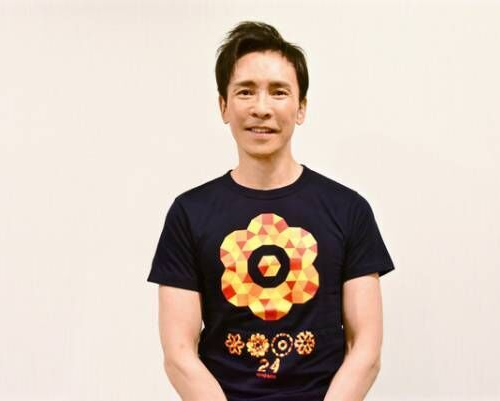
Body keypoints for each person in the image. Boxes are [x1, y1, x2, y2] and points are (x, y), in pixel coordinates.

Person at [147, 21, 395, 401]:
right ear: (223, 106)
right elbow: (179, 353)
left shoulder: (349, 210)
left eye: (279, 92)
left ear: (301, 107)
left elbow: (365, 349)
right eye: (245, 91)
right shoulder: (189, 213)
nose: (261, 108)